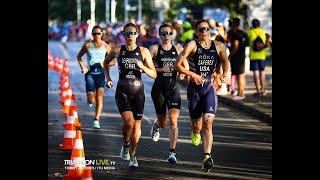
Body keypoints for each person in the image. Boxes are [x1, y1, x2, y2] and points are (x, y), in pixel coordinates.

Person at [174, 19, 229, 172]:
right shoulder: (192, 45)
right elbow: (176, 65)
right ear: (196, 32)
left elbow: (225, 61)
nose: (204, 32)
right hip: (194, 91)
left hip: (210, 89)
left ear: (210, 30)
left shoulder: (218, 46)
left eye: (206, 29)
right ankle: (195, 131)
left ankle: (207, 157)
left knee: (208, 122)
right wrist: (192, 74)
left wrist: (224, 73)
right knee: (197, 125)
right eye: (200, 30)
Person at [104, 23, 157, 168]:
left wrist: (143, 67)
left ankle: (133, 155)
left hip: (138, 93)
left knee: (136, 128)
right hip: (122, 91)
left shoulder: (144, 52)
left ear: (137, 34)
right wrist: (108, 78)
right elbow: (106, 63)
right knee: (129, 122)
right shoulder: (117, 50)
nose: (129, 36)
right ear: (123, 35)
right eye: (126, 34)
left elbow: (154, 74)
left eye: (132, 33)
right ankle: (126, 144)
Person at [149, 24, 189, 164]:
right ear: (159, 35)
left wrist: (183, 74)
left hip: (173, 89)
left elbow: (185, 66)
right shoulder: (154, 49)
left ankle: (172, 153)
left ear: (173, 34)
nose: (166, 36)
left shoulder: (178, 49)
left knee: (173, 120)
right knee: (163, 123)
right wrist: (160, 69)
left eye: (169, 33)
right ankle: (156, 126)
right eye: (163, 33)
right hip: (158, 89)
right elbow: (146, 68)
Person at [77, 25, 112, 129]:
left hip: (101, 73)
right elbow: (79, 56)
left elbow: (113, 60)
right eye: (94, 33)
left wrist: (105, 63)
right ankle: (90, 101)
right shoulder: (88, 45)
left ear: (102, 34)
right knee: (91, 99)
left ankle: (96, 119)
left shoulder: (106, 46)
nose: (96, 35)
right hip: (90, 73)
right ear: (91, 34)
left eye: (98, 33)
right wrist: (83, 67)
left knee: (99, 98)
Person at [228, 17, 248, 100]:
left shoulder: (235, 34)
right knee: (241, 75)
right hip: (242, 55)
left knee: (239, 75)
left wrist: (230, 55)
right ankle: (241, 93)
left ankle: (240, 94)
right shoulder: (243, 33)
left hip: (237, 57)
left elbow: (235, 47)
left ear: (233, 24)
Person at [247, 19, 267, 96]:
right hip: (262, 55)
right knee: (262, 72)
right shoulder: (263, 32)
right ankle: (263, 89)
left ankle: (258, 90)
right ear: (259, 24)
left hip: (253, 56)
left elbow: (247, 43)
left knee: (255, 72)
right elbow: (266, 43)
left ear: (252, 25)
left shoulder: (250, 32)